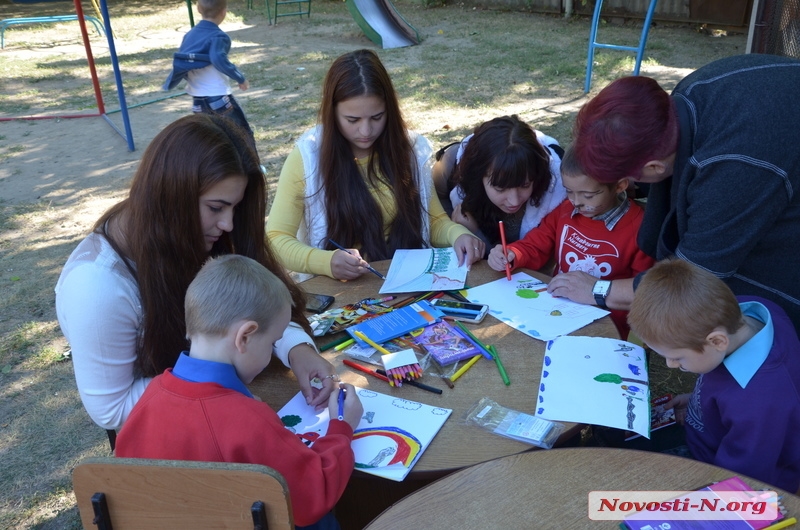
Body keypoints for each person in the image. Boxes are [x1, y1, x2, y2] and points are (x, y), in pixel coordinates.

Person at [55, 114, 336, 436]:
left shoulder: (199, 232)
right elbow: (112, 409)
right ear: (172, 196)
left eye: (235, 208)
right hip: (170, 444)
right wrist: (220, 387)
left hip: (231, 414)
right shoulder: (96, 287)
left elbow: (258, 303)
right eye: (216, 208)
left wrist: (297, 350)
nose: (228, 224)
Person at [553, 54, 800, 331]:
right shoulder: (682, 101)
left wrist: (599, 290)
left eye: (625, 178)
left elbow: (695, 276)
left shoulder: (732, 169)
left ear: (655, 166)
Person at [115, 255, 362, 529]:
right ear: (245, 336)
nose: (271, 351)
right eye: (272, 342)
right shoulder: (248, 421)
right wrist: (342, 427)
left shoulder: (150, 397)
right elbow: (314, 495)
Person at [266, 49, 484, 281]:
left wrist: (458, 235)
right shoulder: (308, 157)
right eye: (353, 120)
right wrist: (325, 261)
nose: (366, 131)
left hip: (406, 280)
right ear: (332, 113)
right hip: (341, 289)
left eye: (377, 117)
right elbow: (276, 238)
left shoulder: (410, 150)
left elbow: (433, 220)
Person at [627, 259, 800, 493]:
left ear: (717, 341)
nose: (671, 365)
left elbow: (741, 480)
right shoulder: (746, 313)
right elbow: (727, 385)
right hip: (709, 433)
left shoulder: (760, 403)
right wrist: (699, 400)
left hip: (721, 471)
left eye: (678, 357)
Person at [487, 146, 654, 339]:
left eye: (588, 195)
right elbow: (535, 244)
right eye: (569, 192)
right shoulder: (566, 211)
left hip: (605, 325)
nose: (577, 202)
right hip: (555, 308)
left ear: (620, 185)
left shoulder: (641, 229)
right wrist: (512, 254)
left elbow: (642, 290)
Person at [431, 115, 567, 253]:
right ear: (477, 177)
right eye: (500, 189)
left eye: (525, 185)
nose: (514, 200)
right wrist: (457, 229)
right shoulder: (450, 165)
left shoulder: (559, 190)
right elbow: (436, 206)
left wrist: (476, 234)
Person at [162, 0, 255, 149]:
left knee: (209, 138)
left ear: (198, 9)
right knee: (242, 133)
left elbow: (184, 61)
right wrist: (240, 78)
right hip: (218, 97)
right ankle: (253, 169)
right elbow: (218, 58)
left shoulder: (189, 35)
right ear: (224, 12)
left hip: (197, 98)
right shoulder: (219, 36)